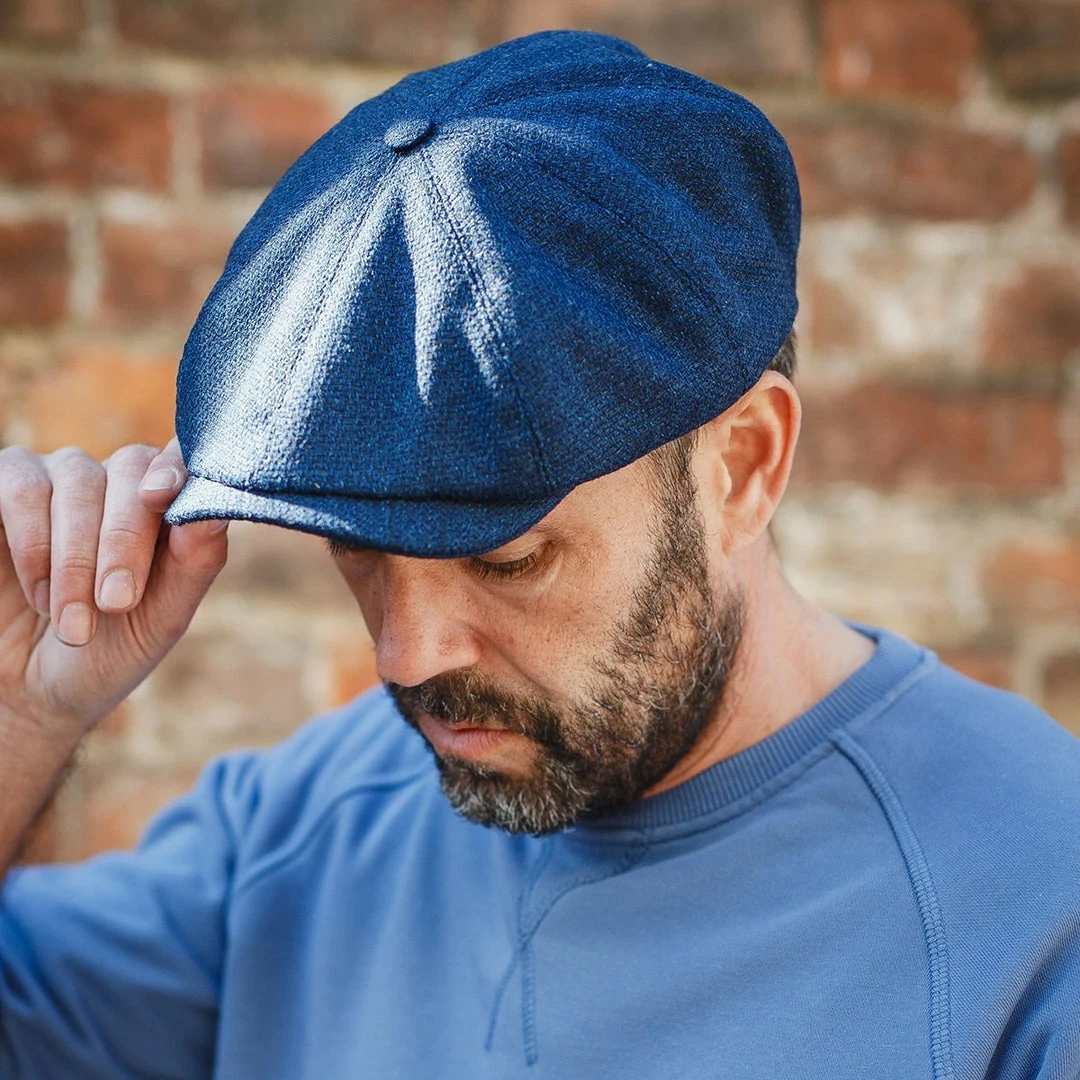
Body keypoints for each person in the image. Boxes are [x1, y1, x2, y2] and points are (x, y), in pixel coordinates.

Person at [0, 29, 1077, 1080]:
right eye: (358, 551)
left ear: (744, 464)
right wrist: (18, 720)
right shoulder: (301, 832)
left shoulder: (1034, 909)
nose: (405, 656)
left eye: (508, 558)